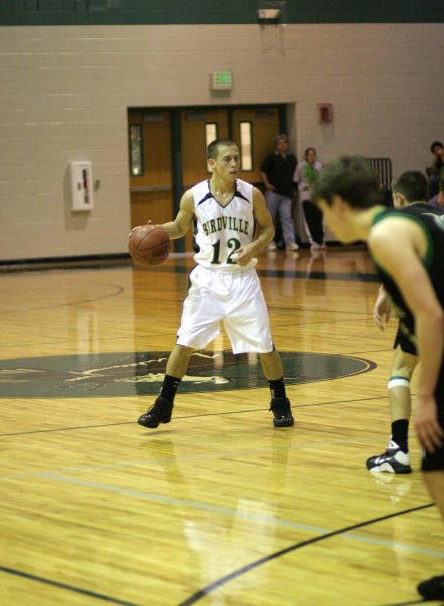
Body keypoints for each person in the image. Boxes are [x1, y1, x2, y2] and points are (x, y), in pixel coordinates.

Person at [311, 156, 444, 602]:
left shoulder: (386, 234)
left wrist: (425, 395)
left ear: (341, 204)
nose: (324, 222)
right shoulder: (396, 226)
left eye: (324, 211)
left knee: (437, 463)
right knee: (436, 469)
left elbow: (431, 312)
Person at [136, 138, 294, 430]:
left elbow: (270, 229)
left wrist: (254, 248)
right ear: (212, 163)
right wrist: (153, 230)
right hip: (207, 280)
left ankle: (280, 403)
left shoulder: (252, 194)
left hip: (242, 279)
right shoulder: (193, 196)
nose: (234, 164)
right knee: (184, 343)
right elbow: (179, 227)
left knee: (264, 344)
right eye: (227, 159)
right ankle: (163, 405)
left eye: (236, 159)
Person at [367, 170, 436, 475]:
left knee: (401, 370)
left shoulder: (402, 222)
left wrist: (384, 294)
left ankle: (398, 450)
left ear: (398, 197)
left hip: (429, 310)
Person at [260, 134, 299, 251]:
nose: (282, 145)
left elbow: (294, 176)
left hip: (287, 193)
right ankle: (269, 242)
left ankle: (290, 242)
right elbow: (263, 171)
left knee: (287, 218)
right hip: (273, 192)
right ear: (276, 145)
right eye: (280, 143)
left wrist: (294, 191)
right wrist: (267, 184)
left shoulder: (292, 158)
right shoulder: (271, 157)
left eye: (284, 142)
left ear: (288, 144)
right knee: (270, 219)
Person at [293, 147, 326, 250]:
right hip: (305, 195)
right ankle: (313, 241)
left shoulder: (319, 166)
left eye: (313, 154)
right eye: (309, 154)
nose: (311, 157)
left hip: (317, 195)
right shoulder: (301, 166)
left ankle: (321, 240)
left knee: (319, 217)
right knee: (309, 218)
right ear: (306, 156)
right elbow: (295, 180)